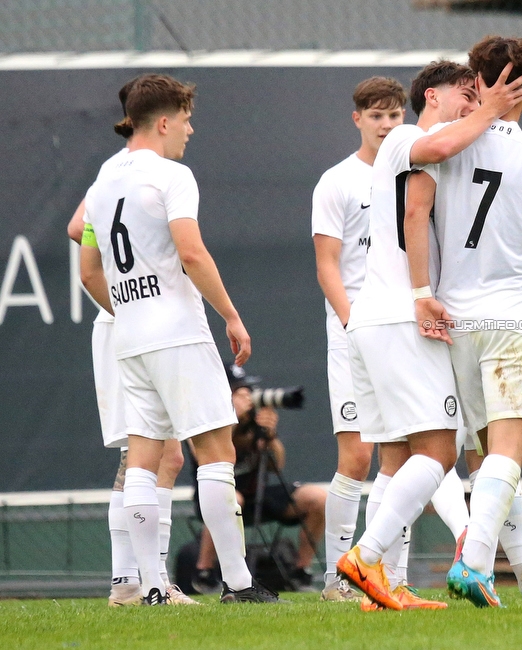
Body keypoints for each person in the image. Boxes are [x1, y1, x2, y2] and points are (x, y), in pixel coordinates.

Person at [335, 58, 522, 612]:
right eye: (466, 94)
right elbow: (435, 169)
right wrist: (495, 111)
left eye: (477, 96)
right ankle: (365, 556)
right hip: (401, 314)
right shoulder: (405, 137)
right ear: (432, 95)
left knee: (397, 459)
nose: (473, 104)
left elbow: (471, 157)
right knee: (441, 450)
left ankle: (383, 588)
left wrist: (515, 138)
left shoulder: (442, 144)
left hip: (383, 316)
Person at [79, 73, 277, 604]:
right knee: (216, 454)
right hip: (178, 331)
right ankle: (238, 584)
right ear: (163, 122)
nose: (190, 130)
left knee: (143, 458)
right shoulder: (172, 175)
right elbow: (191, 252)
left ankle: (150, 588)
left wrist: (126, 308)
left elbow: (89, 269)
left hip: (132, 337)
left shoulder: (103, 178)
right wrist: (232, 316)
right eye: (186, 120)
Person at [408, 35, 522, 608]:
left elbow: (418, 212)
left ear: (477, 82)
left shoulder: (442, 146)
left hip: (454, 316)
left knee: (483, 452)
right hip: (513, 317)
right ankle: (475, 562)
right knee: (509, 449)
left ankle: (502, 573)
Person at [67, 79, 197, 607]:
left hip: (130, 317)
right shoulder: (129, 171)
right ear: (154, 118)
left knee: (162, 455)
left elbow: (83, 227)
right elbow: (80, 227)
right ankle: (132, 581)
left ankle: (143, 579)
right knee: (145, 453)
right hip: (130, 320)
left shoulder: (114, 170)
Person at [312, 76, 407, 602]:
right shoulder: (337, 182)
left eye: (394, 115)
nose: (386, 125)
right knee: (357, 457)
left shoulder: (416, 172)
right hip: (354, 333)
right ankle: (336, 580)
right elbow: (327, 266)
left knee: (409, 454)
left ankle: (394, 575)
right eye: (376, 116)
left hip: (404, 332)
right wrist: (353, 324)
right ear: (357, 120)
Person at [191, 363, 328, 592]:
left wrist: (270, 435)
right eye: (238, 392)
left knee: (318, 498)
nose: (246, 397)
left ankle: (301, 571)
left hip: (258, 492)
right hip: (218, 495)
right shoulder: (204, 418)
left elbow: (277, 466)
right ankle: (204, 573)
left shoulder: (255, 419)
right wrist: (233, 418)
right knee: (232, 499)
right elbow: (201, 456)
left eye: (247, 391)